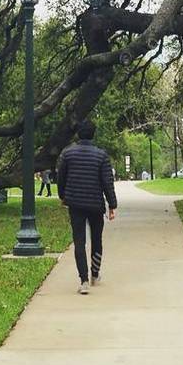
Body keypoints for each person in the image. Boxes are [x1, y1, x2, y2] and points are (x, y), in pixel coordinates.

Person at [56, 119, 117, 295]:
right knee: (97, 239)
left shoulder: (67, 154)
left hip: (75, 203)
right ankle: (95, 274)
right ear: (93, 134)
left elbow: (61, 178)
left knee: (79, 241)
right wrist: (112, 204)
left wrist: (63, 196)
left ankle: (83, 280)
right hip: (95, 204)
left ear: (78, 134)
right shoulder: (101, 155)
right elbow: (107, 182)